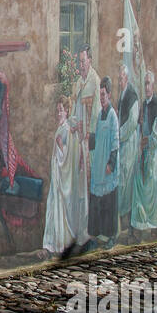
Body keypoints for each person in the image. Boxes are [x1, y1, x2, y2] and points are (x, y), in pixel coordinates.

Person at [69, 44, 100, 246]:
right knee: (78, 190)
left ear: (90, 60)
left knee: (88, 189)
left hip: (89, 144)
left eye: (83, 60)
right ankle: (79, 232)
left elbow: (96, 115)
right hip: (77, 142)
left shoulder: (95, 83)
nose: (81, 64)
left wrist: (87, 133)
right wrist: (75, 124)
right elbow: (72, 114)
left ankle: (89, 233)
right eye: (79, 61)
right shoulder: (78, 83)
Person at [130, 70, 157, 237]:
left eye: (149, 83)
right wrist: (140, 141)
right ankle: (141, 225)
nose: (147, 87)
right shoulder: (143, 105)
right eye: (145, 84)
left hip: (153, 152)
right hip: (144, 151)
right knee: (139, 184)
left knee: (153, 186)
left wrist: (147, 141)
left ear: (154, 85)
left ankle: (155, 225)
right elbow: (139, 128)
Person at [42, 97, 77, 255]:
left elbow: (67, 155)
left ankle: (58, 244)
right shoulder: (60, 128)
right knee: (52, 207)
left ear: (67, 112)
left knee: (58, 209)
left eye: (61, 110)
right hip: (56, 175)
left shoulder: (67, 130)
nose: (58, 113)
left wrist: (60, 145)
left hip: (61, 176)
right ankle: (50, 245)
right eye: (57, 111)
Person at [87, 77, 120, 247]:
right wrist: (88, 138)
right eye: (100, 95)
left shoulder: (113, 116)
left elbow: (115, 141)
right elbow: (97, 138)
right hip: (98, 164)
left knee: (109, 202)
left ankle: (111, 237)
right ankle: (96, 236)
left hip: (107, 166)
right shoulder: (100, 115)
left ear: (109, 94)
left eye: (103, 94)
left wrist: (111, 163)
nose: (101, 98)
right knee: (97, 201)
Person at [115, 63, 139, 236]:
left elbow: (132, 123)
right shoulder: (121, 95)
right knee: (122, 181)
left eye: (122, 78)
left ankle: (130, 226)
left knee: (128, 182)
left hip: (129, 144)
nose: (119, 81)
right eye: (119, 79)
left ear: (127, 78)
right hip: (122, 145)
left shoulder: (132, 96)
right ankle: (122, 224)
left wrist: (119, 134)